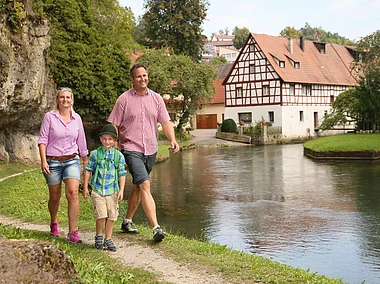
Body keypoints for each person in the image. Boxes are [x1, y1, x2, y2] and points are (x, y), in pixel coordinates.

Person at [108, 62, 180, 242]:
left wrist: (172, 140)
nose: (142, 79)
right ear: (132, 79)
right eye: (138, 76)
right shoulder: (123, 99)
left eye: (144, 75)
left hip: (151, 149)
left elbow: (165, 122)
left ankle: (127, 221)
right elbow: (114, 124)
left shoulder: (156, 99)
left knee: (138, 186)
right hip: (130, 148)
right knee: (145, 184)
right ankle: (156, 227)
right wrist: (113, 146)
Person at [38, 87, 88, 243]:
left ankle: (73, 232)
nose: (65, 100)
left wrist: (85, 160)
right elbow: (43, 140)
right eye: (62, 97)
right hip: (52, 161)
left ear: (72, 100)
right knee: (55, 196)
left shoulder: (77, 118)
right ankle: (54, 222)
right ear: (57, 100)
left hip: (72, 159)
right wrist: (43, 160)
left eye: (68, 97)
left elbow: (81, 140)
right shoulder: (49, 117)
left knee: (73, 193)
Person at [82, 124, 126, 251]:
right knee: (101, 215)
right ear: (101, 139)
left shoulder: (118, 156)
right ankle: (99, 236)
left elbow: (122, 174)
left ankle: (108, 238)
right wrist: (85, 187)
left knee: (111, 216)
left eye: (110, 139)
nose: (107, 141)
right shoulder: (95, 154)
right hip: (98, 190)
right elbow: (88, 170)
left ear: (114, 141)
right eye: (105, 139)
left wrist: (121, 190)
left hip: (112, 190)